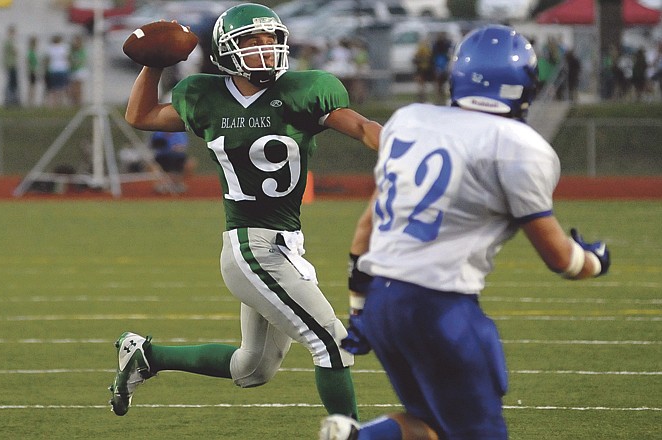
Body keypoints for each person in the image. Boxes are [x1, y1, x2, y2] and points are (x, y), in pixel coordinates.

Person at [320, 24, 611, 440]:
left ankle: (356, 437)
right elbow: (560, 258)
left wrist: (360, 305)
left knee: (429, 424)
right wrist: (595, 260)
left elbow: (368, 224)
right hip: (439, 307)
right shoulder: (518, 145)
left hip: (383, 299)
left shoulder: (409, 119)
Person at [109, 2, 381, 428]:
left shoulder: (306, 89)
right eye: (252, 41)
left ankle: (146, 354)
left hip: (286, 243)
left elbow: (362, 126)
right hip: (250, 246)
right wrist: (154, 67)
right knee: (332, 342)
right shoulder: (206, 95)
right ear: (226, 50)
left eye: (271, 39)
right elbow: (140, 116)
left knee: (251, 369)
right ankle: (350, 433)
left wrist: (402, 149)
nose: (265, 48)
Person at [2, 25, 21, 108]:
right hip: (11, 64)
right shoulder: (9, 42)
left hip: (12, 64)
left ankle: (12, 100)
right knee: (11, 83)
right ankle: (10, 101)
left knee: (13, 83)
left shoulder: (10, 42)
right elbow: (15, 52)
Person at [69, 34, 88, 106]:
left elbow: (80, 60)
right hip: (73, 70)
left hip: (79, 70)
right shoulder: (72, 50)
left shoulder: (81, 50)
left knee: (78, 87)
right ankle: (74, 101)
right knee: (73, 88)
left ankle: (78, 101)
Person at [26, 35, 41, 107]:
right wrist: (32, 69)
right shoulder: (31, 52)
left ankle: (31, 101)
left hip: (33, 70)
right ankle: (31, 101)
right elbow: (28, 61)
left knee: (33, 86)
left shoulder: (33, 52)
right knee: (32, 86)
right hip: (32, 70)